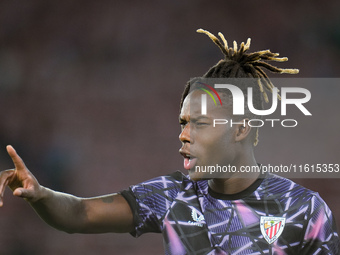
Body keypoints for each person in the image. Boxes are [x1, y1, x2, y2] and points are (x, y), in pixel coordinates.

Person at [0, 29, 339, 254]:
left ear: (241, 129)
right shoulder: (170, 195)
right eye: (183, 122)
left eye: (200, 123)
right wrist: (40, 195)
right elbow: (79, 213)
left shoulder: (304, 210)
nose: (183, 134)